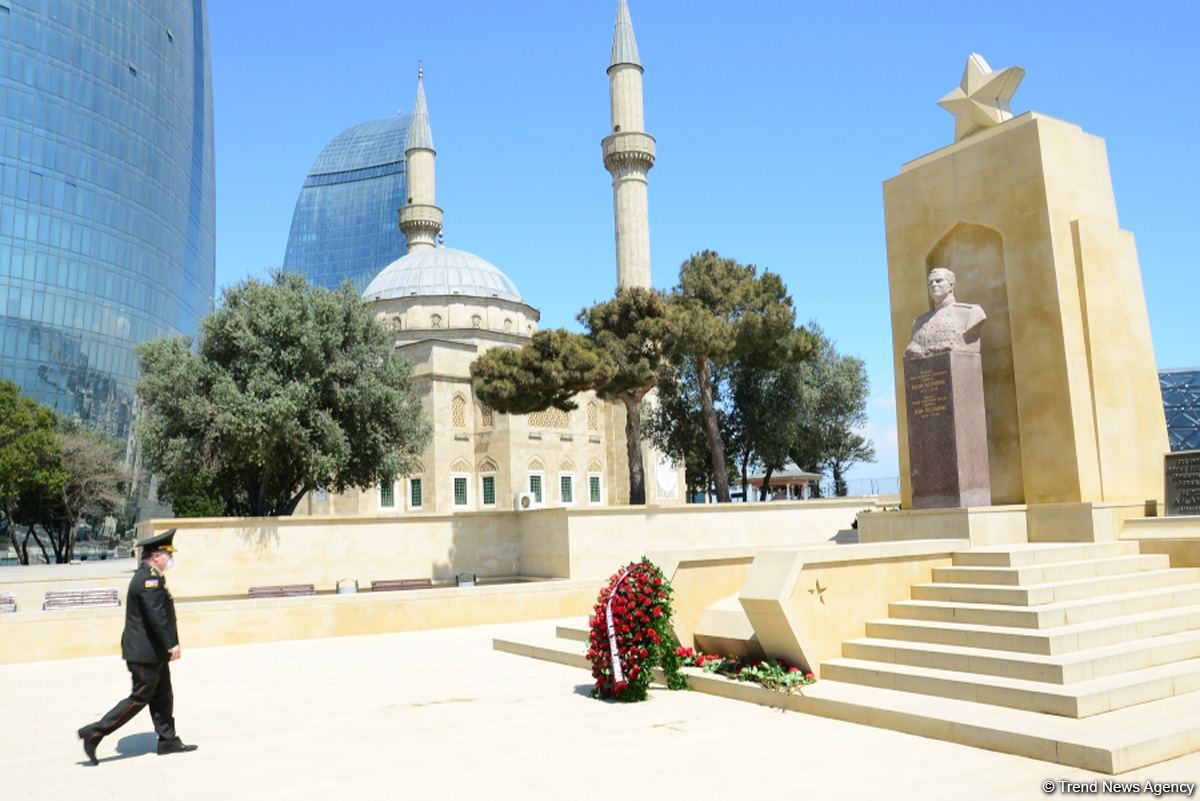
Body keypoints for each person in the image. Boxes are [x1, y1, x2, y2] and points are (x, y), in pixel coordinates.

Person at [77, 528, 198, 764]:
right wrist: (171, 644)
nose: (170, 559)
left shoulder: (150, 576)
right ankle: (95, 732)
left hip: (152, 651)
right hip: (144, 653)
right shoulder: (148, 580)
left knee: (163, 696)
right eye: (168, 554)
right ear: (156, 556)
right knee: (139, 698)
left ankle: (168, 740)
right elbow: (157, 615)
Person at [903, 267, 987, 360]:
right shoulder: (919, 322)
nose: (933, 285)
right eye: (930, 283)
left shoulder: (972, 313)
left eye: (938, 281)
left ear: (951, 285)